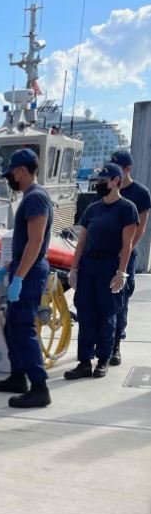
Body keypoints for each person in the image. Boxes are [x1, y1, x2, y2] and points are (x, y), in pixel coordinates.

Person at [0, 148, 53, 408]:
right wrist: (8, 270)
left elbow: (35, 242)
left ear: (22, 171)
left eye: (11, 173)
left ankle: (39, 387)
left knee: (23, 329)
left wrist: (19, 278)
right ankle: (18, 376)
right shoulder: (32, 197)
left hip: (30, 273)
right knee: (12, 326)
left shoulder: (36, 198)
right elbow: (25, 244)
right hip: (23, 270)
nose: (9, 178)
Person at [64, 163, 138, 380]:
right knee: (86, 313)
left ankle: (103, 359)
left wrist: (121, 273)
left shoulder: (127, 209)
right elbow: (82, 241)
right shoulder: (92, 209)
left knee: (107, 314)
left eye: (102, 181)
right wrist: (73, 269)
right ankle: (84, 361)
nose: (97, 185)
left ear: (115, 181)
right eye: (96, 182)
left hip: (108, 267)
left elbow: (127, 244)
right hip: (89, 266)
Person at [109, 150, 151, 366]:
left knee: (121, 300)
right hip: (104, 255)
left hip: (126, 255)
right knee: (102, 300)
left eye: (118, 168)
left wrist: (124, 252)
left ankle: (116, 344)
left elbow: (141, 229)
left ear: (127, 169)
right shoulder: (107, 187)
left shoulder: (141, 194)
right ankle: (103, 342)